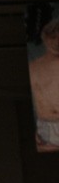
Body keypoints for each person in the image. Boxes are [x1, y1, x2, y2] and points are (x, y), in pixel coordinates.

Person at [29, 15, 59, 152]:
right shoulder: (33, 67)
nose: (56, 42)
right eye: (53, 37)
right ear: (45, 38)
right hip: (45, 128)